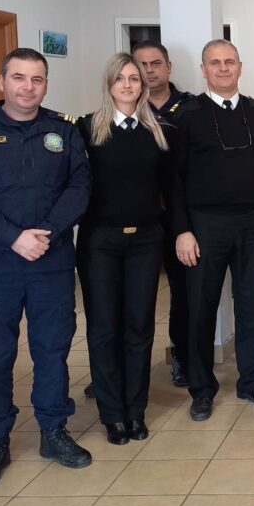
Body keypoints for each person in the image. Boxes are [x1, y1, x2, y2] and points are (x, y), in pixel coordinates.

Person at [0, 48, 92, 490]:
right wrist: (14, 237)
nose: (28, 87)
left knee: (52, 348)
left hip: (50, 260)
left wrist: (45, 232)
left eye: (37, 79)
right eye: (19, 77)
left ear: (46, 84)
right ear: (2, 82)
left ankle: (53, 431)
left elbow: (80, 186)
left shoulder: (63, 129)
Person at [172, 39, 254, 421]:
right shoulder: (187, 115)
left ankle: (252, 382)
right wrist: (182, 230)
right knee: (200, 308)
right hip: (203, 225)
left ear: (240, 67)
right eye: (215, 63)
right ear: (203, 70)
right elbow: (172, 180)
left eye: (229, 62)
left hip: (251, 223)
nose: (223, 68)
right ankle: (201, 389)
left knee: (252, 305)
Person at [76, 53, 176, 445]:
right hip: (100, 242)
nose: (128, 84)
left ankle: (135, 411)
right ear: (109, 84)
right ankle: (112, 414)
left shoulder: (159, 131)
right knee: (104, 329)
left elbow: (171, 190)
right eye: (120, 78)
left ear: (143, 85)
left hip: (146, 242)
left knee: (139, 328)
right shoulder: (87, 129)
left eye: (134, 78)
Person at [132, 40, 193, 388]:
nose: (149, 70)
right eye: (142, 64)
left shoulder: (191, 108)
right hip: (138, 217)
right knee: (130, 295)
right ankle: (119, 367)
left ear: (168, 67)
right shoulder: (124, 109)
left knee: (183, 293)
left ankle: (182, 357)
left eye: (156, 63)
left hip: (178, 218)